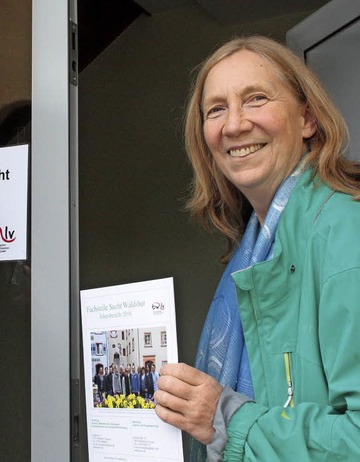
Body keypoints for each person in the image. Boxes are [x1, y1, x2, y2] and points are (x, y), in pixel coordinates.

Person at [153, 35, 360, 461]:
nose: (233, 125)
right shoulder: (254, 250)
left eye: (256, 98)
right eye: (216, 109)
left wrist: (228, 418)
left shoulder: (342, 231)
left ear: (308, 118)